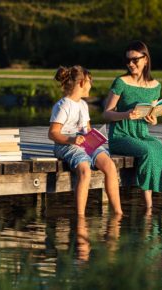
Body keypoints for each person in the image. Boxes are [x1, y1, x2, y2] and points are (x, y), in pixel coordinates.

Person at [104, 40, 162, 213]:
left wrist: (153, 119)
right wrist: (125, 114)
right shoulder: (121, 82)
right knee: (148, 152)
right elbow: (107, 113)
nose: (131, 64)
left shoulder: (155, 86)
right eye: (127, 61)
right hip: (121, 135)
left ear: (146, 59)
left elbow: (153, 114)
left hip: (141, 133)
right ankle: (148, 206)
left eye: (135, 60)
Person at [48, 65, 123, 216]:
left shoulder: (83, 104)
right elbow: (53, 133)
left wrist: (96, 137)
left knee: (109, 165)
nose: (91, 85)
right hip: (66, 144)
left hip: (85, 142)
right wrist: (72, 139)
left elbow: (87, 129)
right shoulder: (63, 106)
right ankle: (80, 216)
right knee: (85, 170)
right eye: (90, 81)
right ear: (82, 83)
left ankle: (118, 212)